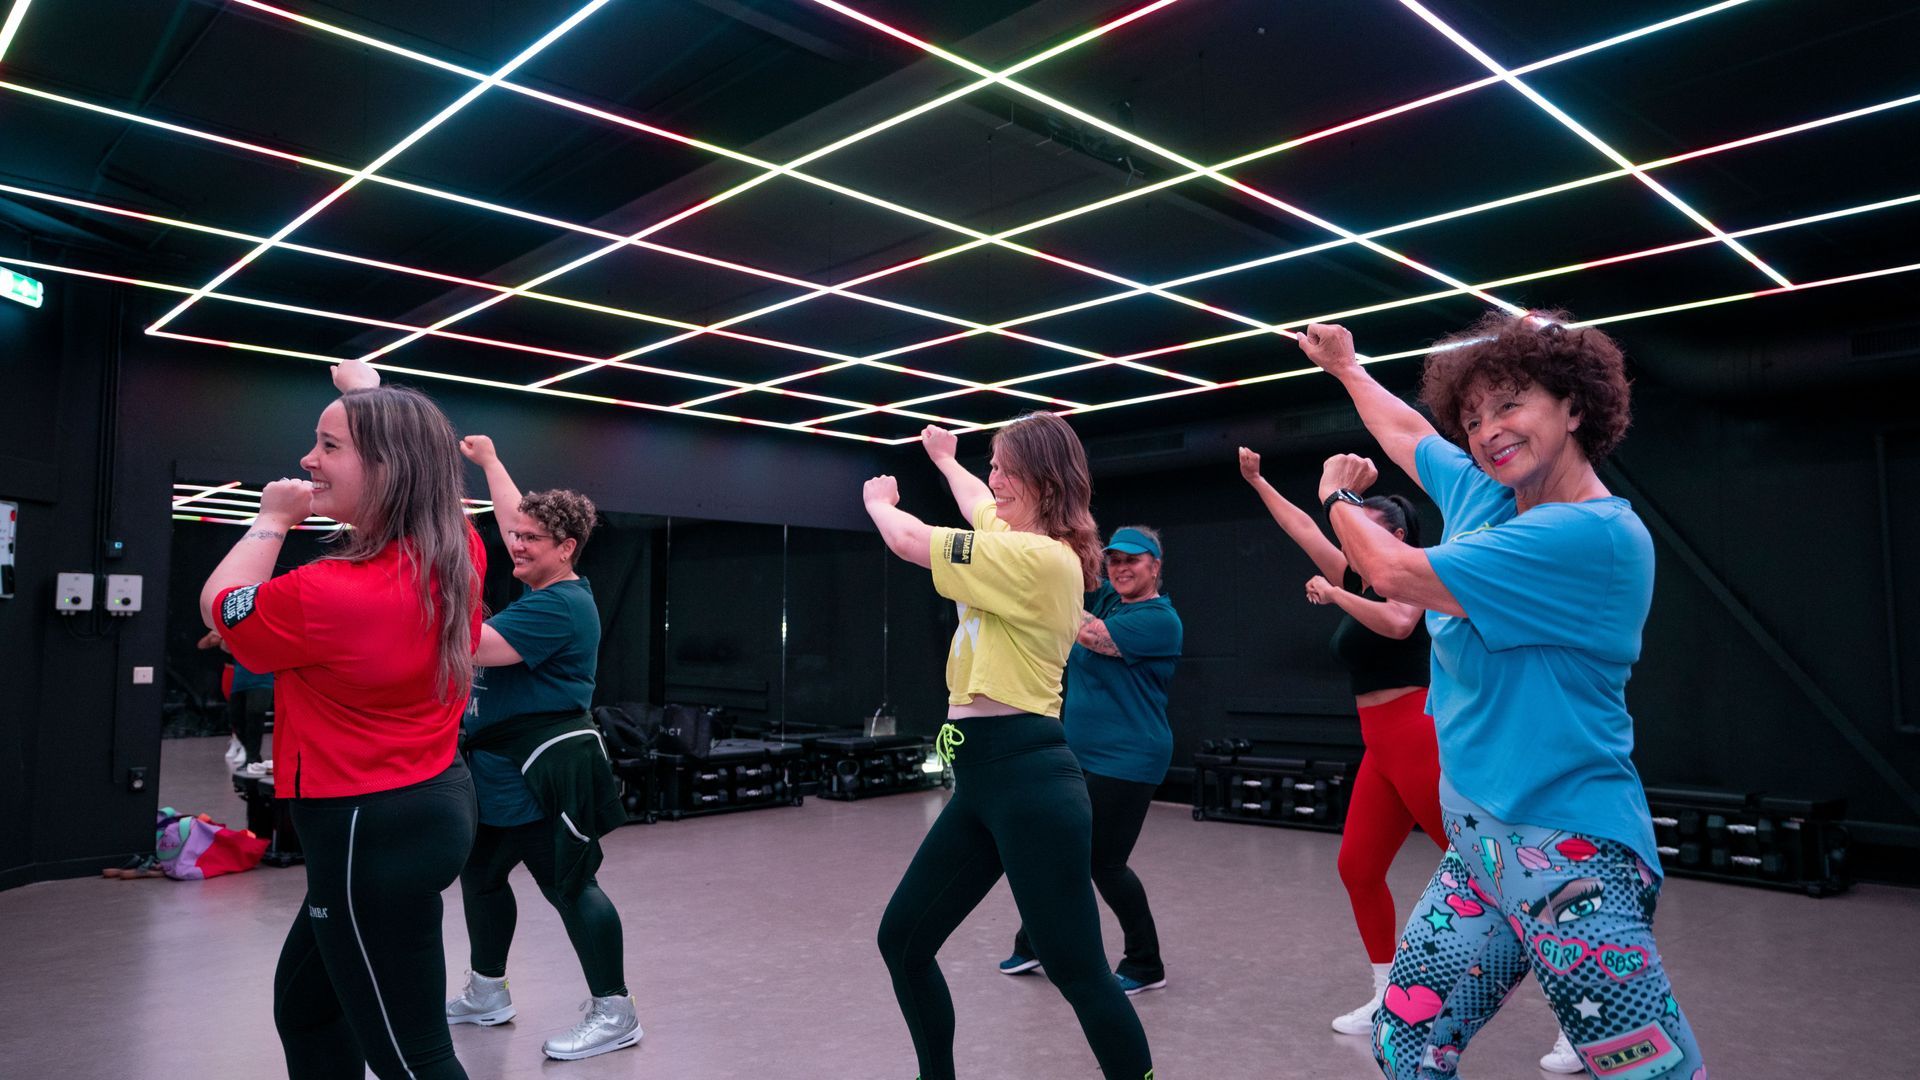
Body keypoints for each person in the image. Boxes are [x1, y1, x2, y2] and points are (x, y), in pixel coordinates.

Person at [1298, 314, 1704, 1079]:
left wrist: (1339, 499)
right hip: (1479, 846)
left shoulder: (1590, 537)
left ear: (1574, 406)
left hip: (1570, 854)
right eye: (1475, 416)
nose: (1488, 431)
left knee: (1646, 1070)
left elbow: (1392, 572)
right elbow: (1407, 432)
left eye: (1510, 404)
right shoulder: (1490, 495)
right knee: (1405, 1040)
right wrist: (1348, 368)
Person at [199, 358, 483, 1080]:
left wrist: (271, 519)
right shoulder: (456, 549)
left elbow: (221, 607)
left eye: (329, 446)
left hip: (366, 831)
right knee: (308, 1010)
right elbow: (427, 467)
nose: (307, 459)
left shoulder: (328, 592)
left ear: (387, 468)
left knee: (413, 1059)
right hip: (423, 806)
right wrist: (365, 395)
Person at [865, 417, 1153, 1080]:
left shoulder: (1041, 559)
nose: (992, 479)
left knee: (1078, 971)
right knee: (903, 940)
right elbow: (977, 502)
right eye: (991, 465)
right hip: (982, 781)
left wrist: (880, 503)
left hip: (1029, 781)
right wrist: (946, 460)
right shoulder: (1012, 536)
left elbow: (909, 539)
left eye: (1005, 468)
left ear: (1044, 481)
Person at [443, 435, 636, 1062]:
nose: (516, 545)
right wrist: (492, 462)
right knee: (481, 876)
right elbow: (509, 518)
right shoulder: (542, 582)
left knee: (570, 885)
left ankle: (616, 1012)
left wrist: (420, 589)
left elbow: (475, 648)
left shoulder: (560, 606)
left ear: (566, 548)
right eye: (516, 536)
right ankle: (486, 993)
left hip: (543, 771)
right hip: (500, 769)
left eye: (530, 539)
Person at [999, 524, 1184, 997]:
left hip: (1128, 760)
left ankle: (1146, 964)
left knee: (1104, 862)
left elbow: (1088, 634)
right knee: (1054, 848)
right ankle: (1034, 942)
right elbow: (1074, 574)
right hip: (1078, 753)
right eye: (1114, 560)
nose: (1120, 568)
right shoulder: (1108, 601)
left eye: (1132, 560)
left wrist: (1053, 594)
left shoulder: (1160, 619)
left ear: (1155, 566)